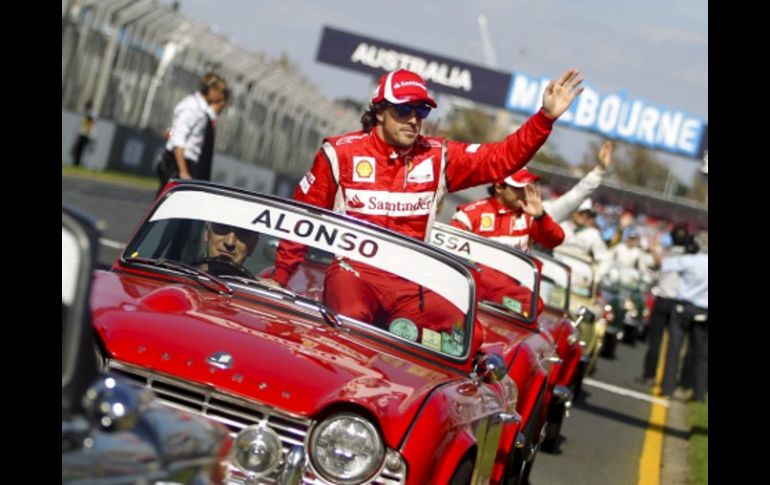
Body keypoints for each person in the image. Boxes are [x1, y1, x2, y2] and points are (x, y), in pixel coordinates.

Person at [270, 67, 583, 328]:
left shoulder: (438, 156)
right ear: (379, 112)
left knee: (467, 336)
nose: (413, 119)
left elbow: (501, 158)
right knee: (351, 320)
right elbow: (303, 218)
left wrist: (544, 118)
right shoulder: (339, 153)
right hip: (354, 272)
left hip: (411, 280)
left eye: (421, 111)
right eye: (403, 109)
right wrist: (281, 276)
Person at [450, 168, 565, 250]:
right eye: (518, 188)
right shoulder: (468, 215)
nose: (524, 193)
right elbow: (452, 253)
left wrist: (541, 216)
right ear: (499, 187)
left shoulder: (531, 215)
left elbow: (555, 241)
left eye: (526, 187)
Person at [156, 72, 227, 196]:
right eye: (219, 92)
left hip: (187, 163)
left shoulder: (201, 108)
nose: (221, 97)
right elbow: (178, 141)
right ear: (210, 90)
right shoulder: (191, 107)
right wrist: (183, 171)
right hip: (178, 164)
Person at [638, 224, 690, 385]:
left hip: (663, 299)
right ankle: (669, 379)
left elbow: (659, 262)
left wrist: (654, 246)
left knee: (655, 340)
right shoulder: (689, 257)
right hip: (679, 302)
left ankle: (649, 375)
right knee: (675, 343)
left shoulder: (667, 253)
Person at [659, 236, 708, 402]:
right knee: (701, 356)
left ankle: (667, 388)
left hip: (682, 308)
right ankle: (699, 393)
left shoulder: (690, 261)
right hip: (703, 311)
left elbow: (664, 264)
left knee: (673, 350)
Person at [542, 140, 614, 223]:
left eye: (589, 214)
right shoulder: (544, 214)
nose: (585, 217)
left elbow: (576, 195)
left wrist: (599, 171)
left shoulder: (545, 214)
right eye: (582, 213)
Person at [70, 100, 96, 167]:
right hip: (84, 134)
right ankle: (76, 163)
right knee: (79, 149)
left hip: (85, 134)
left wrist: (88, 134)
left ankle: (77, 163)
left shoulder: (91, 114)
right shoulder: (90, 113)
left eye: (86, 107)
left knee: (80, 149)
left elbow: (90, 124)